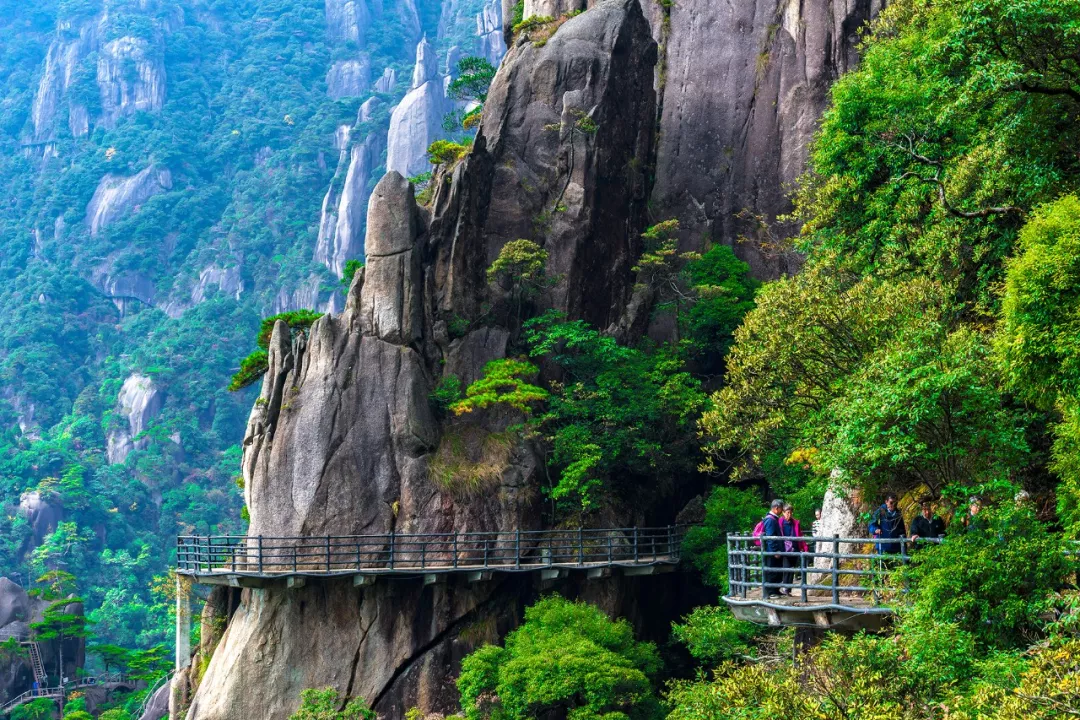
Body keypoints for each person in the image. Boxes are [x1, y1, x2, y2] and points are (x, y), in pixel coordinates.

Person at [780, 503, 809, 594]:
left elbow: (800, 535)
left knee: (792, 569)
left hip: (795, 548)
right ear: (783, 513)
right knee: (786, 568)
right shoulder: (780, 522)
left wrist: (804, 547)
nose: (789, 514)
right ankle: (785, 588)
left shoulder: (795, 523)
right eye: (787, 512)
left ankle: (788, 589)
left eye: (791, 513)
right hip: (785, 549)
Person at [761, 499, 785, 598]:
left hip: (775, 550)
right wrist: (775, 551)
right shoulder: (770, 519)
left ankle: (776, 589)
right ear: (776, 508)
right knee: (772, 571)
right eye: (781, 509)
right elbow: (770, 537)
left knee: (777, 570)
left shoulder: (773, 519)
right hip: (772, 551)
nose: (781, 511)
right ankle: (771, 592)